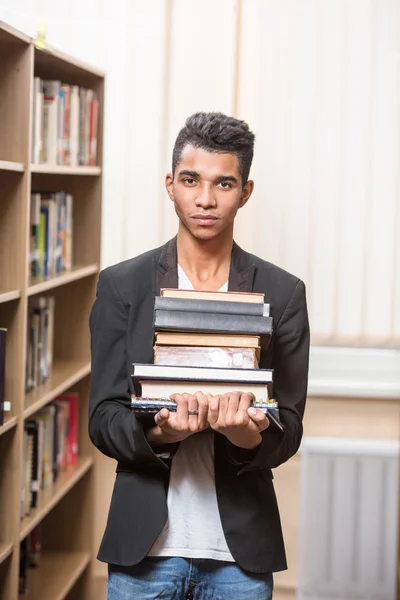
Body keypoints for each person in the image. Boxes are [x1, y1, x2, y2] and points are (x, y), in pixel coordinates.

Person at [89, 112, 310, 600]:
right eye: (191, 180)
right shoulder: (122, 286)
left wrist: (245, 436)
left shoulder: (283, 293)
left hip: (239, 557)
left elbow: (289, 428)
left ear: (245, 191)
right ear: (171, 184)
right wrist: (160, 432)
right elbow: (102, 419)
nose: (205, 199)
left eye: (223, 183)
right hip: (144, 552)